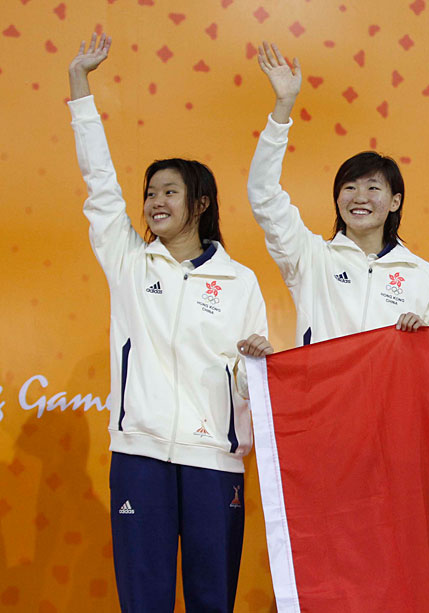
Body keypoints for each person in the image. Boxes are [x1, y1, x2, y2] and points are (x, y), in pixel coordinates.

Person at [68, 33, 271, 612]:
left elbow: (251, 381)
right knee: (144, 601)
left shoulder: (241, 281)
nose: (155, 201)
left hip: (214, 462)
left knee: (212, 600)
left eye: (170, 192)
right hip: (141, 455)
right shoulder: (130, 263)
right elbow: (100, 188)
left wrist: (256, 362)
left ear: (200, 204)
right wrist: (80, 88)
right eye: (151, 192)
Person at [247, 42, 429, 346]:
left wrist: (421, 341)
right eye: (350, 187)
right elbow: (263, 192)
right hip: (324, 380)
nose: (359, 197)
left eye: (373, 188)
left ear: (395, 202)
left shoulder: (422, 275)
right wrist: (283, 107)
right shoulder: (311, 258)